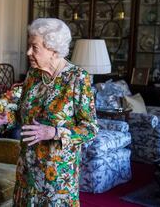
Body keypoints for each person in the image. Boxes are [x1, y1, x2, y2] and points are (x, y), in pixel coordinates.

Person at [13, 18, 98, 206]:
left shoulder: (77, 78)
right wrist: (7, 117)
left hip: (57, 176)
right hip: (27, 169)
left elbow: (91, 129)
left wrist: (55, 132)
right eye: (29, 46)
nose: (28, 52)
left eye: (34, 48)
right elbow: (22, 113)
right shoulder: (33, 75)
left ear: (54, 50)